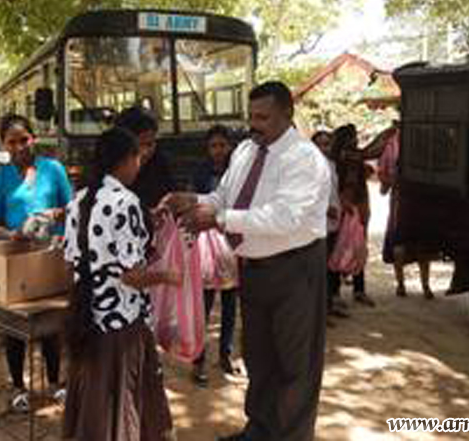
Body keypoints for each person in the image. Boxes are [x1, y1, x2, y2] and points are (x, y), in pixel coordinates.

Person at [162, 81, 331, 441]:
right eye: (251, 116)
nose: (254, 124)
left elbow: (285, 217)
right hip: (252, 270)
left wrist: (221, 220)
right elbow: (224, 196)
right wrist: (194, 200)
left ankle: (290, 435)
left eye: (263, 117)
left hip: (295, 268)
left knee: (295, 364)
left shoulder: (303, 158)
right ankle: (259, 429)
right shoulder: (245, 151)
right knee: (259, 357)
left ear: (288, 113)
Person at [61, 127, 179, 441]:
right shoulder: (126, 202)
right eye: (138, 157)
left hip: (87, 318)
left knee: (94, 402)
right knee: (123, 404)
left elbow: (75, 259)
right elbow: (131, 276)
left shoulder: (80, 199)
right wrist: (168, 276)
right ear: (126, 160)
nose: (140, 164)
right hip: (121, 326)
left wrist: (146, 221)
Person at [0, 114, 73, 411]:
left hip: (51, 257)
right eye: (12, 141)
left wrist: (55, 215)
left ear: (33, 137)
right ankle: (19, 388)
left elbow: (72, 208)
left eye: (24, 139)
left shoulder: (54, 169)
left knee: (51, 324)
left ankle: (55, 383)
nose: (19, 146)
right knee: (15, 328)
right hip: (16, 261)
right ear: (3, 145)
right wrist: (13, 233)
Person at [191, 124, 241, 386]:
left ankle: (226, 355)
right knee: (204, 305)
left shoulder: (238, 173)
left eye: (223, 145)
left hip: (232, 242)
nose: (218, 150)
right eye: (214, 145)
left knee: (231, 304)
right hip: (208, 246)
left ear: (230, 146)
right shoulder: (200, 173)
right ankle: (198, 360)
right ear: (207, 149)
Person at [378, 122, 434, 299]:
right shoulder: (391, 144)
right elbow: (383, 173)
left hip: (418, 200)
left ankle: (425, 285)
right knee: (400, 245)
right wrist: (390, 182)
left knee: (422, 246)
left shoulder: (424, 143)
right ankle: (401, 284)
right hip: (400, 201)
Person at [329, 124, 376, 307]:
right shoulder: (349, 157)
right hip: (349, 209)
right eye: (353, 137)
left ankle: (344, 291)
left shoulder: (339, 157)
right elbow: (351, 180)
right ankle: (351, 291)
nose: (355, 140)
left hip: (350, 209)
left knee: (347, 248)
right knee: (345, 249)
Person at [311, 130, 350, 323]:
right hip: (319, 224)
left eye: (327, 144)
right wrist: (326, 208)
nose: (323, 148)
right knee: (321, 270)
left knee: (331, 267)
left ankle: (328, 306)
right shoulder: (310, 167)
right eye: (320, 144)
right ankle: (320, 312)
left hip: (334, 223)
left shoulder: (332, 165)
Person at [115, 105, 175, 209]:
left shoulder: (159, 163)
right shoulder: (108, 172)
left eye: (150, 144)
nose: (145, 152)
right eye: (140, 145)